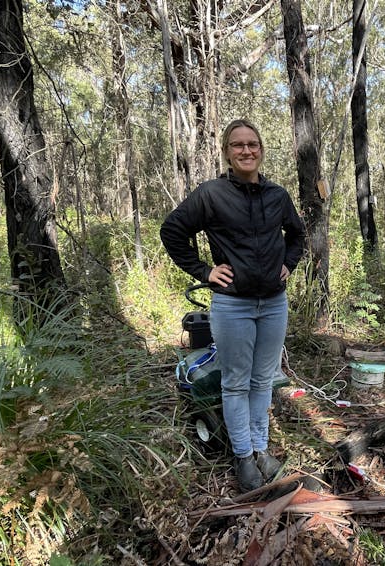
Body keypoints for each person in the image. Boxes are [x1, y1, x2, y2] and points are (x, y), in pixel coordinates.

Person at [160, 119, 306, 492]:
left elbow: (298, 234)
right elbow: (173, 230)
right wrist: (204, 271)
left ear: (261, 149)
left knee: (263, 381)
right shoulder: (211, 194)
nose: (246, 150)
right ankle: (243, 457)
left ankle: (260, 450)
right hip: (232, 306)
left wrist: (288, 264)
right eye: (238, 145)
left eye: (253, 144)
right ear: (227, 151)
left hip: (274, 304)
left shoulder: (277, 195)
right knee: (236, 382)